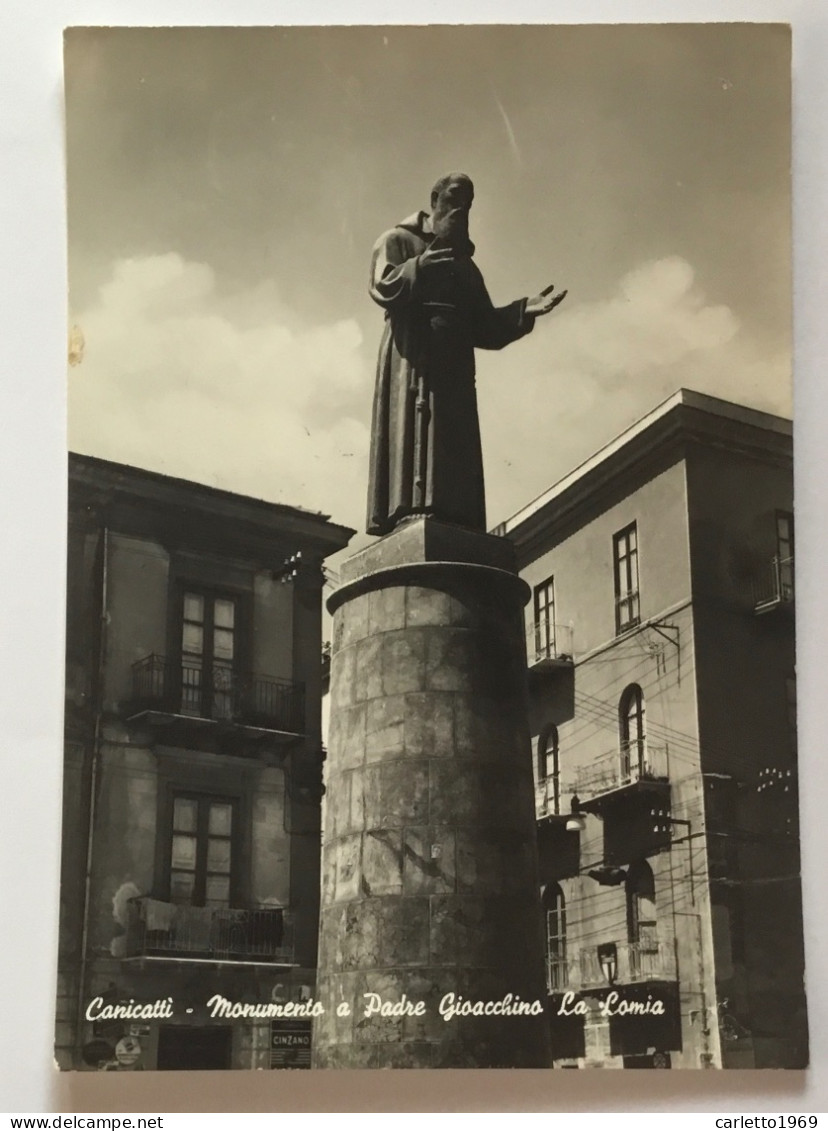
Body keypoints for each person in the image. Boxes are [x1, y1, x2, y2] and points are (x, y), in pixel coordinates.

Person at [366, 172, 567, 536]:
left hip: (455, 366)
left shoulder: (465, 265)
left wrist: (523, 310)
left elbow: (484, 325)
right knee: (416, 439)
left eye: (469, 203)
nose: (462, 208)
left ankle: (452, 517)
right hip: (413, 357)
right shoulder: (397, 240)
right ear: (434, 197)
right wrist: (419, 269)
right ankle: (410, 513)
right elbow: (381, 285)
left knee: (453, 442)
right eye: (456, 197)